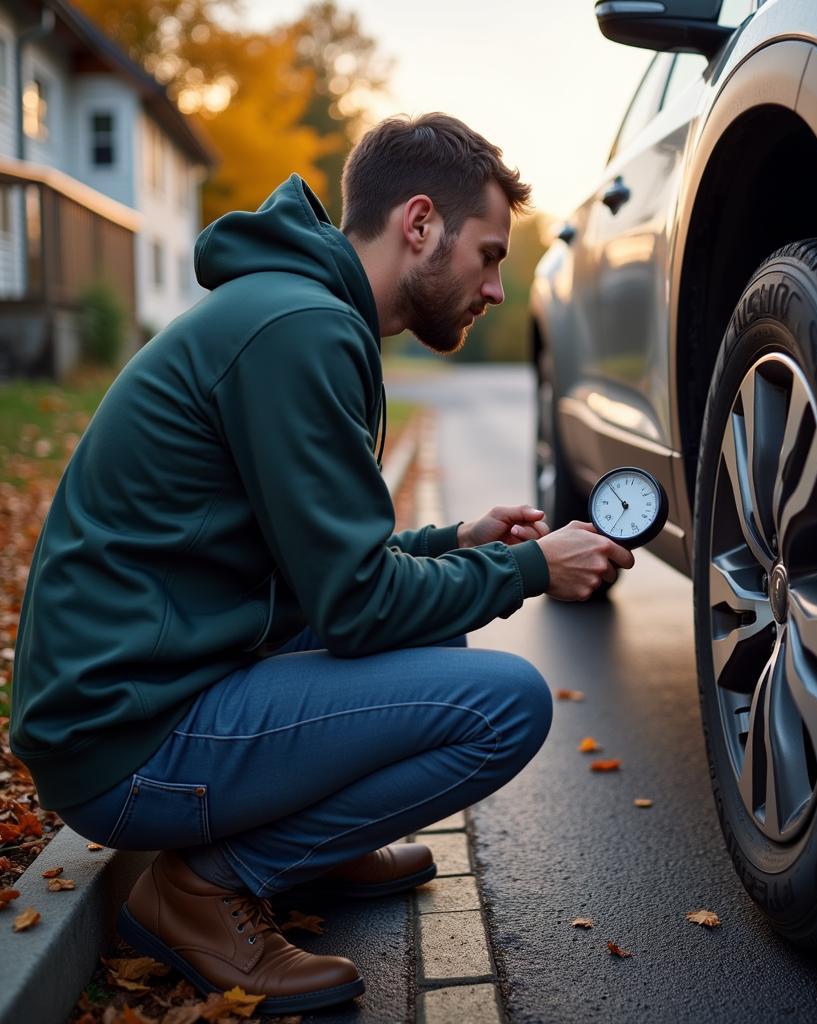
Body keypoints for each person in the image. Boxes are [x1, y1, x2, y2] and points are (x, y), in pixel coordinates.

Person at [10, 113, 634, 1014]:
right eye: (489, 256)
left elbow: (320, 561)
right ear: (418, 224)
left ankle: (316, 844)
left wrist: (455, 544)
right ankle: (204, 889)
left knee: (442, 627)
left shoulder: (298, 310)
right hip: (126, 740)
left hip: (148, 692)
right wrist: (533, 572)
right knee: (511, 705)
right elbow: (354, 607)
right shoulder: (298, 329)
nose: (496, 288)